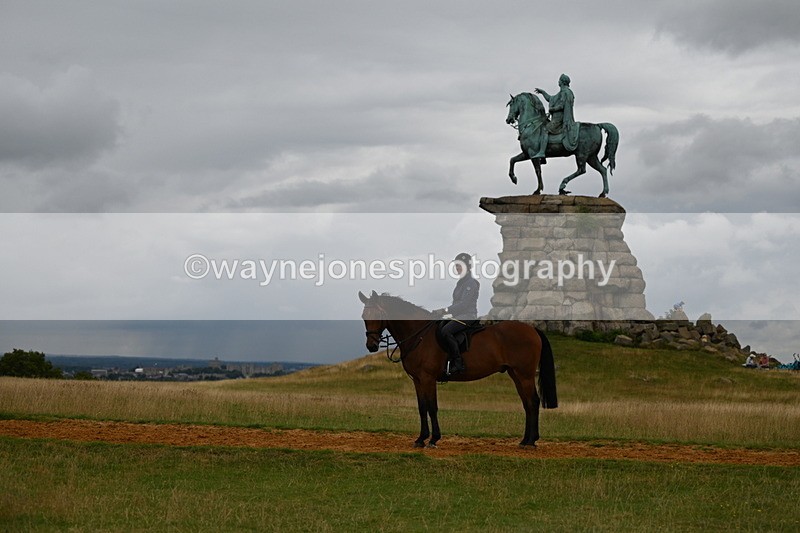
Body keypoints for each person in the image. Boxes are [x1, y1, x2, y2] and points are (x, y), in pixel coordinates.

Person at [432, 253, 480, 376]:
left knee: (446, 331)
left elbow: (463, 305)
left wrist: (444, 311)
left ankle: (458, 363)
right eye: (456, 265)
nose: (457, 268)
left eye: (460, 266)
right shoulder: (461, 283)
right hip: (458, 316)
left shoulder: (470, 283)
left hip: (468, 316)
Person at [535, 73, 580, 152]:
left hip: (560, 119)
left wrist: (552, 109)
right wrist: (543, 92)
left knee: (545, 129)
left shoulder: (565, 92)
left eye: (559, 80)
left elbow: (561, 106)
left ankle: (542, 152)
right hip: (558, 118)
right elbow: (551, 98)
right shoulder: (562, 92)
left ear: (562, 82)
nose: (558, 81)